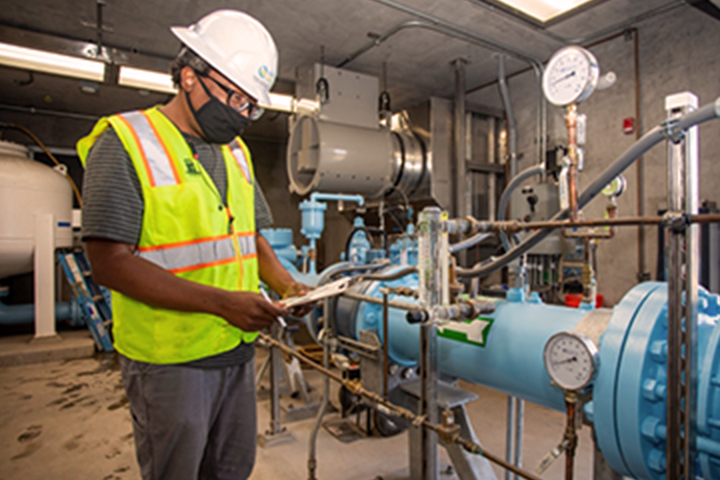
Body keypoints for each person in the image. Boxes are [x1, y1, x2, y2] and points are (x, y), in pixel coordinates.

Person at [76, 10, 309, 480]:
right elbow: (109, 264)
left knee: (230, 470)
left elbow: (251, 238)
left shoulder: (235, 153)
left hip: (236, 350)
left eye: (253, 106)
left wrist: (287, 285)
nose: (243, 116)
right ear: (190, 76)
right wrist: (222, 303)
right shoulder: (125, 142)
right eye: (237, 98)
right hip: (170, 361)